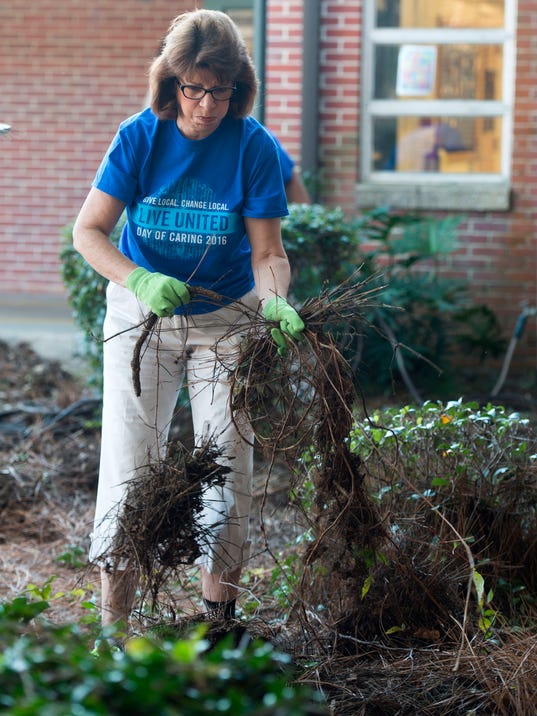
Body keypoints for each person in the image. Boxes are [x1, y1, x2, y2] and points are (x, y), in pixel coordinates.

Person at [72, 8, 305, 634]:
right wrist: (138, 278)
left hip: (227, 319)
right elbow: (88, 232)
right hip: (141, 317)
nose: (206, 105)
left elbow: (267, 253)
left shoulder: (253, 145)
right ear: (171, 83)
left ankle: (218, 622)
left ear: (239, 87)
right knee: (129, 463)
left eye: (220, 91)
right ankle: (112, 630)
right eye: (194, 89)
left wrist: (276, 298)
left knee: (227, 462)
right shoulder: (139, 136)